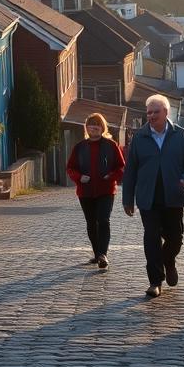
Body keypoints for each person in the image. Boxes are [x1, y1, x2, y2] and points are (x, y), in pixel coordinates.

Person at [121, 94, 184, 298]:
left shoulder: (180, 135)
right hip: (148, 198)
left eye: (156, 112)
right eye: (149, 112)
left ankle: (169, 261)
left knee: (175, 238)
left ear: (166, 112)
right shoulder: (140, 137)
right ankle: (155, 281)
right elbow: (131, 170)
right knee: (152, 237)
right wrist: (127, 199)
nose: (152, 115)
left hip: (173, 195)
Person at [66, 113, 125, 269]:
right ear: (87, 128)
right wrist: (79, 177)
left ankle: (103, 254)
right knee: (91, 223)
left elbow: (121, 167)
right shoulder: (79, 147)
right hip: (85, 192)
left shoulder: (111, 146)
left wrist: (111, 176)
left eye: (97, 125)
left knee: (103, 220)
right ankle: (97, 253)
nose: (94, 127)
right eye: (91, 124)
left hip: (106, 190)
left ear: (102, 127)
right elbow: (70, 168)